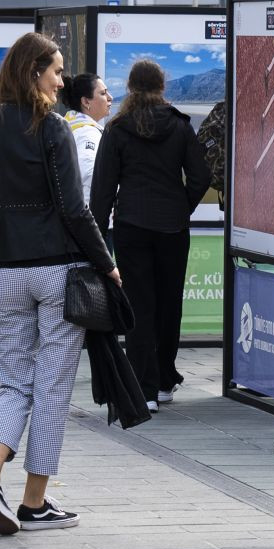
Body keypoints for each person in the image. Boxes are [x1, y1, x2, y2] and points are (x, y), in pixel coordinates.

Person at [0, 32, 120, 535]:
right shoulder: (52, 128)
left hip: (3, 272)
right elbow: (75, 208)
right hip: (56, 273)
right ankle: (34, 503)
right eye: (55, 70)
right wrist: (107, 264)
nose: (62, 80)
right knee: (50, 388)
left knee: (13, 382)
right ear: (34, 73)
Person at [91, 60, 210, 413]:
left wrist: (95, 239)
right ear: (162, 86)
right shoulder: (180, 126)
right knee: (170, 303)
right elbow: (200, 177)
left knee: (138, 305)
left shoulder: (117, 129)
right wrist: (181, 206)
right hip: (173, 228)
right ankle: (164, 380)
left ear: (130, 87)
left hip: (131, 226)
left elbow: (102, 189)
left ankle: (142, 389)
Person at [62, 73, 113, 199]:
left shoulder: (71, 127)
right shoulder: (87, 133)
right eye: (103, 93)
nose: (110, 97)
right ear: (85, 101)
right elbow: (89, 176)